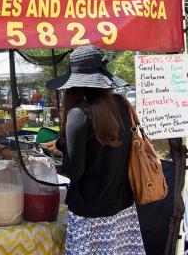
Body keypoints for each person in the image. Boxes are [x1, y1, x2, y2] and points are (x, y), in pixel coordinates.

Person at [41, 45, 145, 254]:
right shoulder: (122, 104)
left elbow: (74, 171)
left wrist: (62, 153)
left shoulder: (78, 113)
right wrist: (63, 144)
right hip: (123, 207)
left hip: (90, 213)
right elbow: (105, 143)